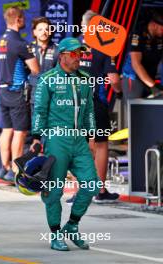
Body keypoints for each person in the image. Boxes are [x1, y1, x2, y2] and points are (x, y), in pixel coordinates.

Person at [31, 37, 100, 251]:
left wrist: (92, 137)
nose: (79, 57)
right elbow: (39, 111)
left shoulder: (85, 79)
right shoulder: (47, 79)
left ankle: (71, 225)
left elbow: (89, 111)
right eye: (75, 54)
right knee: (54, 191)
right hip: (56, 140)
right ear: (62, 55)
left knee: (91, 184)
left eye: (81, 54)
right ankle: (54, 234)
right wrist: (36, 138)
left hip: (79, 141)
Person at [67, 10, 121, 204]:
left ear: (83, 26)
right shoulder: (105, 47)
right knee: (100, 144)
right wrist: (119, 90)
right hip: (94, 102)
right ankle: (100, 190)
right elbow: (113, 79)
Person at [0, 6, 39, 181]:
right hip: (16, 92)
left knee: (6, 130)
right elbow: (36, 69)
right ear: (18, 20)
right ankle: (15, 171)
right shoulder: (21, 43)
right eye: (23, 19)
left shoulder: (2, 41)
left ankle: (3, 168)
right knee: (20, 132)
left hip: (2, 91)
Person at [122, 10, 163, 100]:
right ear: (154, 25)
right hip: (133, 79)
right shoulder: (138, 35)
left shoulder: (159, 38)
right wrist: (153, 86)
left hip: (150, 80)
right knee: (133, 111)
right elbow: (136, 64)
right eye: (162, 29)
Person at [29, 17, 58, 111]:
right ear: (34, 32)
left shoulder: (58, 49)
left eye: (47, 29)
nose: (44, 32)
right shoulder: (28, 49)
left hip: (52, 97)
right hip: (34, 97)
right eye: (40, 29)